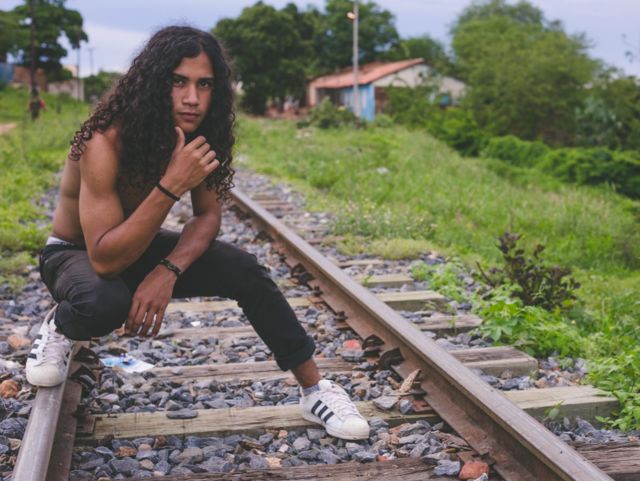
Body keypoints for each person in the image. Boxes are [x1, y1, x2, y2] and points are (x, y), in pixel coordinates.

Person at [24, 26, 369, 441]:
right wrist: (172, 184)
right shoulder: (104, 141)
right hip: (75, 253)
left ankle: (316, 390)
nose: (192, 98)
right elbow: (104, 259)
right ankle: (61, 325)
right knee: (103, 300)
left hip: (135, 247)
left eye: (204, 84)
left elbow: (207, 217)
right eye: (179, 82)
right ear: (154, 83)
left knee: (244, 269)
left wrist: (167, 270)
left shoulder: (201, 135)